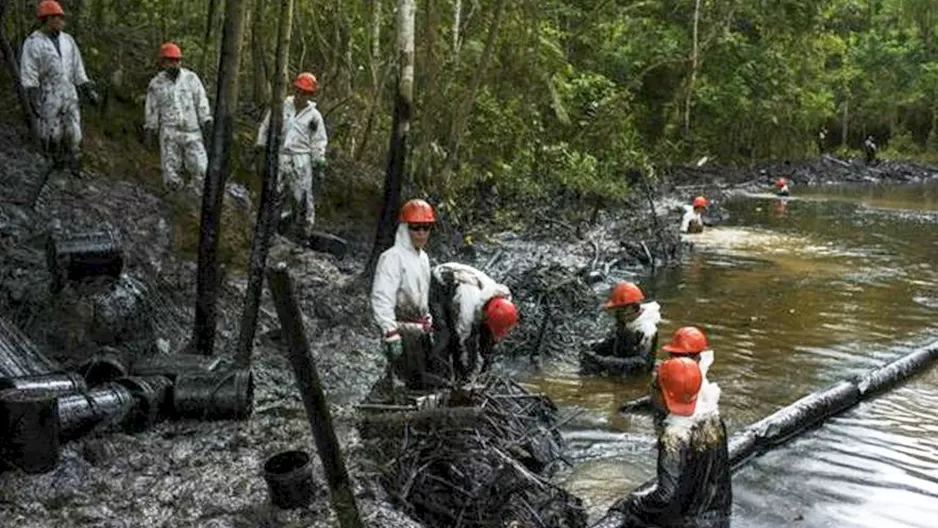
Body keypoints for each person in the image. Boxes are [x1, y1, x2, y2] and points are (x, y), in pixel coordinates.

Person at [598, 357, 731, 528]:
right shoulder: (713, 418)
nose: (650, 391)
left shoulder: (673, 436)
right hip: (718, 517)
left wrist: (631, 503)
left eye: (653, 387)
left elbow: (665, 495)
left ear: (663, 395)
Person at [20, 0, 100, 177]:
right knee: (51, 133)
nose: (61, 21)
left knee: (74, 131)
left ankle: (76, 168)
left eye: (62, 18)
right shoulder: (33, 43)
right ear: (46, 19)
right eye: (57, 18)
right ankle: (54, 168)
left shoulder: (68, 41)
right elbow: (29, 72)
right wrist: (32, 97)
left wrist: (88, 89)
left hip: (69, 92)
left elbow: (78, 68)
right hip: (48, 94)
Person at [371, 199, 436, 390]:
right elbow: (382, 297)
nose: (422, 233)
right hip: (401, 329)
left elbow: (423, 294)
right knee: (403, 380)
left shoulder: (423, 258)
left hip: (420, 329)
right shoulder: (392, 258)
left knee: (423, 380)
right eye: (416, 228)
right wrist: (390, 332)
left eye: (426, 227)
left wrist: (428, 318)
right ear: (405, 228)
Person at [256, 72, 327, 239]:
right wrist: (260, 146)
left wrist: (319, 163)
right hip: (280, 155)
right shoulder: (282, 106)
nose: (301, 95)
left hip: (301, 159)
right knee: (274, 194)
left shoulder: (314, 117)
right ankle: (269, 231)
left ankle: (303, 234)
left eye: (306, 93)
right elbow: (266, 127)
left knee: (302, 198)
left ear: (310, 95)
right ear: (295, 90)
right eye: (299, 91)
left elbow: (318, 142)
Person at [428, 262, 518, 384]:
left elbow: (492, 335)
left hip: (462, 285)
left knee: (483, 338)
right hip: (439, 283)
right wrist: (469, 375)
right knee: (445, 336)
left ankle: (477, 372)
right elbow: (463, 339)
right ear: (486, 315)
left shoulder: (502, 300)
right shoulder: (468, 309)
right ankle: (440, 379)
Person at [144, 42, 212, 193]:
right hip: (169, 133)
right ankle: (175, 204)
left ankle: (196, 203)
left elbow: (201, 100)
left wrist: (206, 120)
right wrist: (150, 128)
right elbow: (152, 108)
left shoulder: (191, 79)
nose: (174, 64)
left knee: (201, 170)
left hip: (192, 131)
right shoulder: (156, 84)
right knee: (171, 175)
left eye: (177, 60)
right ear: (163, 62)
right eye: (170, 61)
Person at [580, 281, 661, 376]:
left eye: (620, 309)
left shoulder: (647, 330)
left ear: (632, 307)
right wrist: (594, 347)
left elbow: (641, 363)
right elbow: (615, 342)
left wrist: (602, 361)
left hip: (634, 379)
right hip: (619, 368)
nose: (617, 313)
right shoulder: (626, 321)